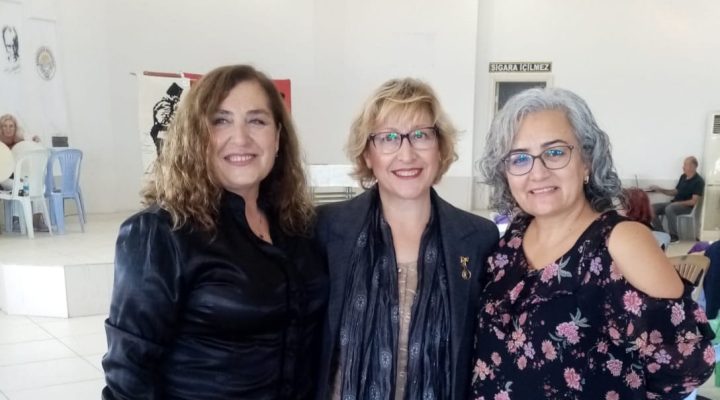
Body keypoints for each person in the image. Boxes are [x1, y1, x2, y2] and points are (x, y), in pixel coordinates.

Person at [101, 65, 328, 399]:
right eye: (220, 120)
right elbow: (129, 375)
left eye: (257, 121)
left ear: (278, 138)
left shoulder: (296, 226)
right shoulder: (161, 232)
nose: (241, 138)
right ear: (195, 136)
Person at [472, 87, 714, 399]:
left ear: (586, 160)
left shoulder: (619, 241)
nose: (538, 172)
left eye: (555, 153)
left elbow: (685, 365)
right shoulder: (511, 241)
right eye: (519, 158)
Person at [314, 78, 499, 400]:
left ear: (440, 148)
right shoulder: (326, 228)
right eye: (388, 138)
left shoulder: (478, 238)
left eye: (420, 135)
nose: (406, 153)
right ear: (367, 154)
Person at [649, 156, 704, 242]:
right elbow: (675, 192)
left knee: (669, 208)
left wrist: (678, 203)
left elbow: (693, 202)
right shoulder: (683, 177)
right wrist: (660, 189)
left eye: (685, 165)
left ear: (693, 167)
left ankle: (674, 236)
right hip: (674, 204)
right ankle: (661, 233)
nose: (683, 167)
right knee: (651, 208)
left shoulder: (699, 181)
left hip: (687, 207)